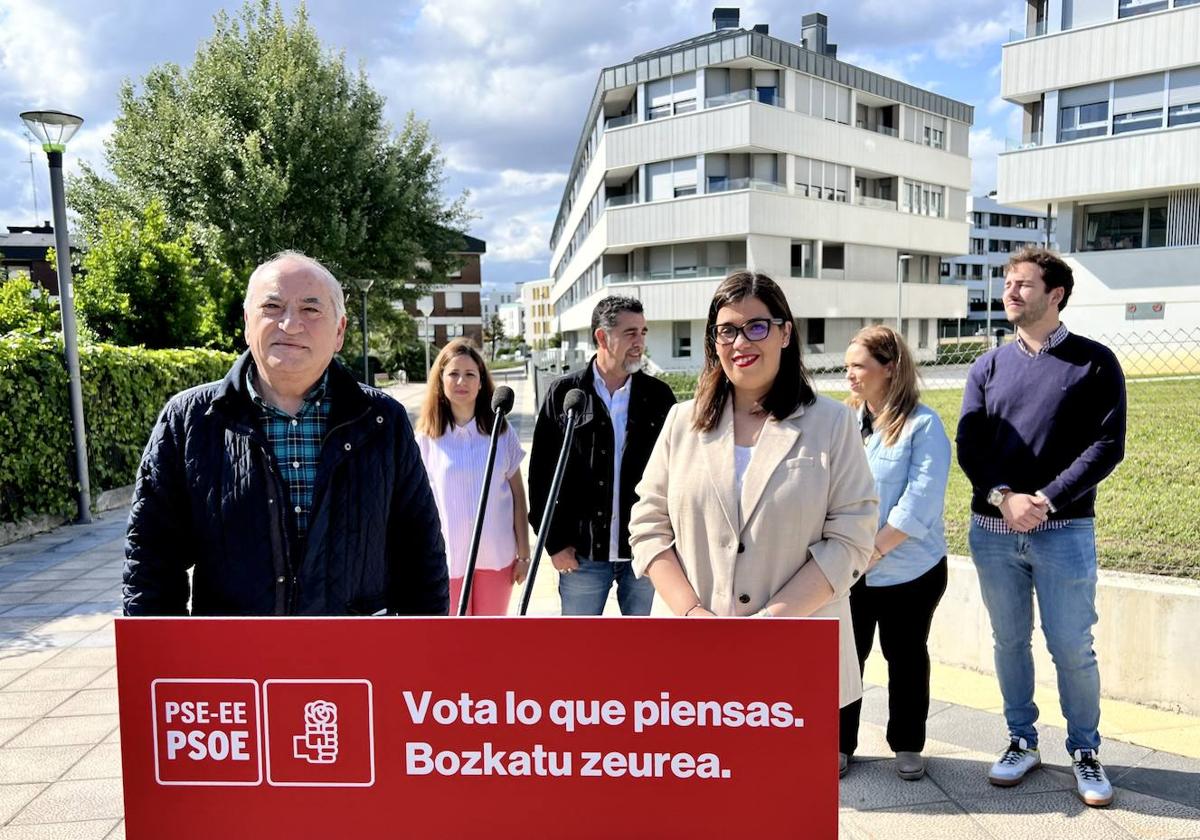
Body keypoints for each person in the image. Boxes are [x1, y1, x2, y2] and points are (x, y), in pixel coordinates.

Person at [123, 251, 448, 616]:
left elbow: (421, 558)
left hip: (354, 663)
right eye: (273, 307)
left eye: (311, 310)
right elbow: (150, 562)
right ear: (248, 322)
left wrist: (419, 663)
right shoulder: (189, 421)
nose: (291, 324)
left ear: (339, 331)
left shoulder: (383, 421)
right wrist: (170, 663)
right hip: (237, 664)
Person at [627, 271, 878, 717]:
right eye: (727, 330)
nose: (741, 342)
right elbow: (648, 527)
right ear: (713, 342)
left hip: (798, 649)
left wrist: (767, 626)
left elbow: (852, 538)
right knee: (697, 780)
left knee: (786, 786)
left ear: (784, 333)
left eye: (757, 326)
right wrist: (692, 617)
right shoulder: (681, 422)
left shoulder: (832, 423)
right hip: (693, 652)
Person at [957, 246, 1126, 807]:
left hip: (1065, 529)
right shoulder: (988, 365)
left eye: (1023, 284)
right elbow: (970, 445)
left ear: (1055, 295)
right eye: (1007, 283)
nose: (1010, 292)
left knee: (1072, 647)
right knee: (1009, 642)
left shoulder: (1095, 362)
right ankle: (1020, 741)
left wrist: (1046, 500)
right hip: (993, 529)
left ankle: (1085, 750)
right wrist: (1005, 498)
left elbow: (1108, 445)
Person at [837, 326, 951, 781]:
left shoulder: (923, 425)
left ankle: (907, 744)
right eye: (846, 366)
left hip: (910, 570)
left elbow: (920, 502)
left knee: (905, 656)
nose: (849, 375)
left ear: (889, 368)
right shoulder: (843, 422)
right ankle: (838, 744)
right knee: (847, 657)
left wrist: (873, 551)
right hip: (848, 569)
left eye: (858, 366)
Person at [528, 296, 676, 615]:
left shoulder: (659, 397)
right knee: (578, 652)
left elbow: (676, 475)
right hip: (580, 556)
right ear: (601, 337)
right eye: (630, 333)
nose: (640, 343)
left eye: (643, 332)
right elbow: (540, 478)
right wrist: (553, 543)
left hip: (643, 553)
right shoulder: (565, 395)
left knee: (639, 653)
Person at [416, 339, 529, 615]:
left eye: (470, 374)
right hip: (447, 561)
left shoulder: (501, 432)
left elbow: (518, 496)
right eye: (453, 373)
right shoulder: (426, 439)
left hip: (497, 557)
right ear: (440, 381)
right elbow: (415, 507)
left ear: (481, 382)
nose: (461, 381)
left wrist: (524, 554)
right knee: (454, 645)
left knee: (490, 643)